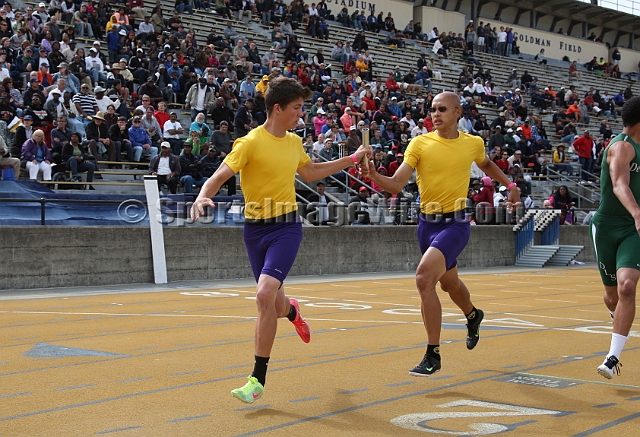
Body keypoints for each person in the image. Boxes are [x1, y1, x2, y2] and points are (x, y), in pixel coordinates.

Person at [190, 77, 370, 403]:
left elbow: (311, 173)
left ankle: (256, 379)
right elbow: (218, 176)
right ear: (278, 108)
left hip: (286, 227)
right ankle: (292, 313)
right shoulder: (249, 143)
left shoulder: (294, 143)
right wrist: (202, 196)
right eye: (298, 108)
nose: (302, 116)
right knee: (275, 303)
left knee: (263, 295)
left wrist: (352, 159)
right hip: (254, 230)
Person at [361, 92, 520, 377]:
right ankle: (473, 315)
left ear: (458, 113)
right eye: (433, 110)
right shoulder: (419, 143)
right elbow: (396, 185)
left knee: (424, 279)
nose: (435, 114)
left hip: (456, 223)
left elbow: (485, 163)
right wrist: (373, 175)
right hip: (426, 224)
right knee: (449, 285)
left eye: (442, 109)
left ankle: (432, 354)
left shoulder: (473, 143)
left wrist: (510, 185)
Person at [591, 96, 640, 380]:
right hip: (606, 227)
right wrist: (637, 212)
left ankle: (612, 358)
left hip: (632, 230)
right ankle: (617, 319)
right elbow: (620, 183)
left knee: (627, 288)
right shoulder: (621, 147)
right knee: (612, 296)